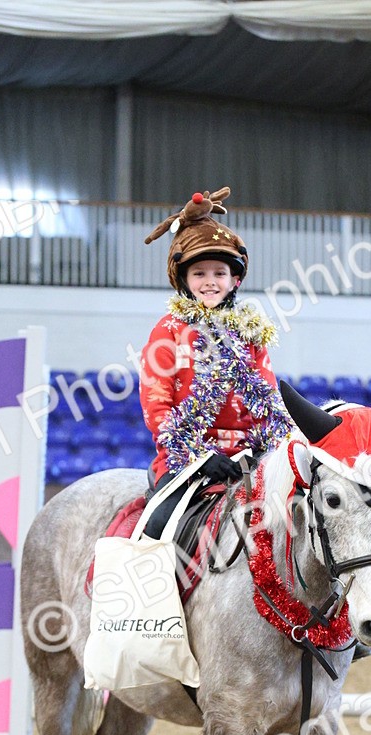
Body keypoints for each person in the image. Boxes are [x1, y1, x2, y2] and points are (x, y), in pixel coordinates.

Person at [139, 187, 289, 537]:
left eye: (219, 273)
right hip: (185, 459)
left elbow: (268, 401)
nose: (210, 282)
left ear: (235, 280)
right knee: (159, 526)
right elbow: (157, 407)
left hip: (249, 459)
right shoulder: (167, 331)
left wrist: (270, 449)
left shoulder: (252, 333)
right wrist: (200, 457)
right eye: (199, 274)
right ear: (184, 280)